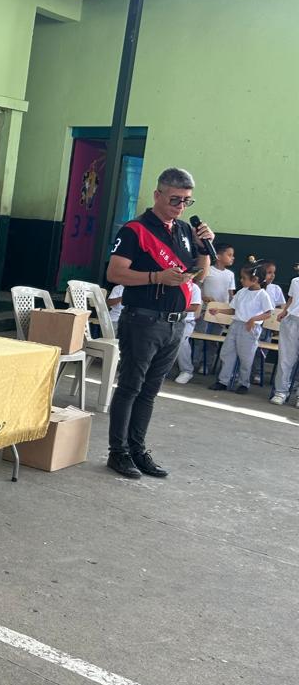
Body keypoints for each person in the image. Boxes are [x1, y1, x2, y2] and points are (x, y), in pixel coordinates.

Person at [104, 167, 212, 479]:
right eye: (175, 199)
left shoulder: (184, 231)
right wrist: (156, 277)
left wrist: (204, 248)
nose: (180, 206)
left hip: (175, 323)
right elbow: (115, 273)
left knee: (150, 391)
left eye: (186, 201)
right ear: (157, 194)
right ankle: (118, 452)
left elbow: (200, 275)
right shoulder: (135, 230)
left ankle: (138, 450)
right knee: (130, 387)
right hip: (143, 320)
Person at [209, 264, 273, 394]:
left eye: (244, 278)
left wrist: (253, 319)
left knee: (246, 358)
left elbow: (268, 313)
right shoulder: (242, 292)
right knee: (227, 353)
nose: (241, 280)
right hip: (235, 325)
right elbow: (233, 310)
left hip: (250, 329)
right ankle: (223, 381)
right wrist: (219, 310)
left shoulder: (262, 295)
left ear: (255, 279)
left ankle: (244, 383)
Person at [270, 267, 299, 406]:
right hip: (292, 321)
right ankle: (281, 392)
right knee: (286, 358)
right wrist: (285, 311)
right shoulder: (295, 281)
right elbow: (291, 300)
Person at [173, 279, 202, 384]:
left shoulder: (194, 287)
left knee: (181, 342)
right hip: (168, 319)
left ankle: (187, 370)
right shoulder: (172, 284)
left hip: (186, 321)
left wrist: (174, 306)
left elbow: (194, 307)